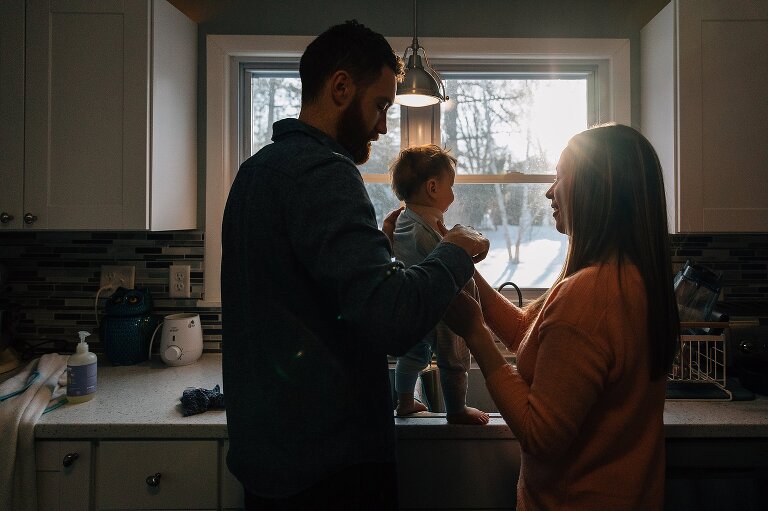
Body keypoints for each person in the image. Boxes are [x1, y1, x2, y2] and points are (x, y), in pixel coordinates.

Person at [220, 20, 489, 510]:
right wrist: (455, 249)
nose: (383, 126)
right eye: (381, 105)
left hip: (273, 459)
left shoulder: (256, 171)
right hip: (329, 470)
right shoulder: (324, 172)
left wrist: (380, 250)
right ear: (341, 87)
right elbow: (391, 318)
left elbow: (313, 297)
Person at [442, 124, 680, 510]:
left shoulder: (589, 294)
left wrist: (475, 334)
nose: (550, 191)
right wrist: (459, 263)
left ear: (596, 188)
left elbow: (540, 436)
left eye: (561, 176)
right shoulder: (629, 277)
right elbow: (528, 333)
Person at [389, 144, 489, 425]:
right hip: (444, 310)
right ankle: (457, 409)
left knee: (413, 354)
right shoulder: (426, 230)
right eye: (451, 186)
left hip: (413, 307)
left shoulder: (402, 222)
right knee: (454, 358)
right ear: (433, 188)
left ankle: (404, 402)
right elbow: (447, 266)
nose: (453, 195)